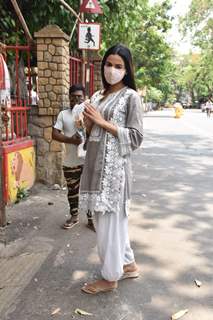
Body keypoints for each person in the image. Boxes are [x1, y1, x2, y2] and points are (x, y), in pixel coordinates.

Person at [79, 44, 143, 294]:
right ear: (102, 65)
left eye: (118, 66)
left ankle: (110, 277)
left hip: (114, 174)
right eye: (108, 64)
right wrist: (86, 123)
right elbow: (91, 133)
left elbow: (136, 137)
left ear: (126, 70)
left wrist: (103, 123)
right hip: (95, 167)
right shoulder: (96, 96)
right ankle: (128, 265)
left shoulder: (131, 98)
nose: (112, 70)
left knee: (108, 227)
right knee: (110, 225)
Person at [52, 84, 95, 231]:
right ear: (69, 97)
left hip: (89, 161)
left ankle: (91, 219)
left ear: (84, 98)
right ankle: (74, 216)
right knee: (72, 191)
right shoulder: (63, 114)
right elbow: (54, 134)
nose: (77, 100)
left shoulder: (90, 113)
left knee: (90, 191)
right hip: (70, 162)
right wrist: (72, 140)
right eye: (74, 97)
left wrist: (87, 137)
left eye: (80, 97)